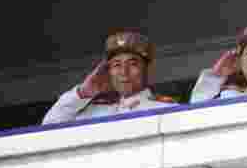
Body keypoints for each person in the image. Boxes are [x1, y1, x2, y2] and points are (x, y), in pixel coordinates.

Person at [42, 29, 178, 123]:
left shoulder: (164, 109)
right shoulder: (95, 111)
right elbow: (50, 124)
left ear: (147, 70)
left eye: (132, 64)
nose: (124, 72)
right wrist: (83, 92)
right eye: (116, 65)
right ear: (108, 72)